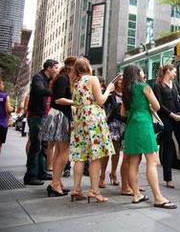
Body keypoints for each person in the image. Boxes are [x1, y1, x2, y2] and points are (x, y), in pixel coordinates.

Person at [121, 65, 176, 209]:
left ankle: (136, 195)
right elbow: (157, 106)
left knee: (134, 162)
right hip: (144, 124)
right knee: (152, 161)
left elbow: (123, 113)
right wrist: (146, 107)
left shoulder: (126, 91)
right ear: (137, 73)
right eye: (141, 70)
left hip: (132, 126)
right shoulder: (144, 87)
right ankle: (158, 197)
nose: (143, 72)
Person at [70, 57, 115, 202]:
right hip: (93, 118)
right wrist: (108, 89)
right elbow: (101, 100)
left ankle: (76, 189)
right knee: (96, 154)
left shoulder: (75, 82)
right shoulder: (92, 79)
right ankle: (94, 191)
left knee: (80, 156)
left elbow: (76, 103)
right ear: (88, 66)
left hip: (80, 119)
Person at [41, 56, 76, 197]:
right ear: (73, 66)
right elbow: (58, 99)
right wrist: (76, 102)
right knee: (64, 152)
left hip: (59, 115)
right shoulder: (63, 79)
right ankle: (55, 184)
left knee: (59, 152)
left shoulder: (63, 78)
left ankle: (56, 182)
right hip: (60, 116)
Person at [24, 59, 59, 186]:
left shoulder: (50, 80)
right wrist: (55, 92)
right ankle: (31, 176)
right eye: (55, 67)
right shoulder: (38, 78)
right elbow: (39, 90)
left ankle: (41, 172)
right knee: (36, 145)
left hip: (44, 116)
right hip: (36, 116)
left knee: (44, 145)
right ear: (49, 68)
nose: (57, 70)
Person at [100, 75, 124, 188]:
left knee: (117, 151)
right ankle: (102, 175)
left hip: (122, 125)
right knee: (107, 151)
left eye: (122, 80)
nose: (120, 81)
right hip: (111, 124)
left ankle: (113, 173)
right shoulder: (110, 94)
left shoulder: (127, 94)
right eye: (119, 79)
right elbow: (102, 106)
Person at [0, 78, 13, 155]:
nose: (3, 86)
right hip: (2, 123)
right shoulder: (5, 96)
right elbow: (8, 109)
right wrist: (12, 109)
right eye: (2, 84)